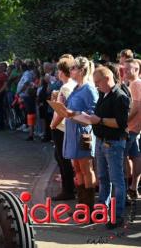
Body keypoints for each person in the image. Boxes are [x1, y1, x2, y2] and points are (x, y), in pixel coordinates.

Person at [89, 67, 130, 228]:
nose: (96, 85)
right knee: (103, 178)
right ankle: (102, 210)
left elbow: (120, 123)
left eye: (97, 82)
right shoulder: (103, 93)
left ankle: (117, 215)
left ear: (107, 78)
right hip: (101, 141)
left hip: (113, 143)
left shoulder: (120, 97)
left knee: (116, 180)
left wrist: (98, 120)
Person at [63, 56, 98, 214]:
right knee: (77, 168)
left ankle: (88, 207)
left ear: (82, 70)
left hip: (83, 133)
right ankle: (81, 206)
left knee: (86, 168)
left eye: (73, 68)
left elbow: (94, 114)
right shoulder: (77, 87)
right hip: (72, 132)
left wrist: (73, 113)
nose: (70, 71)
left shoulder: (89, 88)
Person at [49, 55, 76, 200]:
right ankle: (70, 187)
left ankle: (68, 190)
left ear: (62, 71)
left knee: (63, 159)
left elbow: (62, 110)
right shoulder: (72, 85)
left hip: (61, 127)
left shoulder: (66, 87)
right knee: (64, 158)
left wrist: (53, 124)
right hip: (67, 127)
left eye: (58, 70)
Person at [124, 58, 141, 200]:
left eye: (128, 68)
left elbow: (136, 107)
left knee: (123, 158)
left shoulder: (136, 83)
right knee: (136, 157)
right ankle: (133, 188)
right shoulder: (135, 83)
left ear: (136, 70)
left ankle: (128, 189)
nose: (125, 70)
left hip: (131, 128)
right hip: (135, 128)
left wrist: (124, 122)